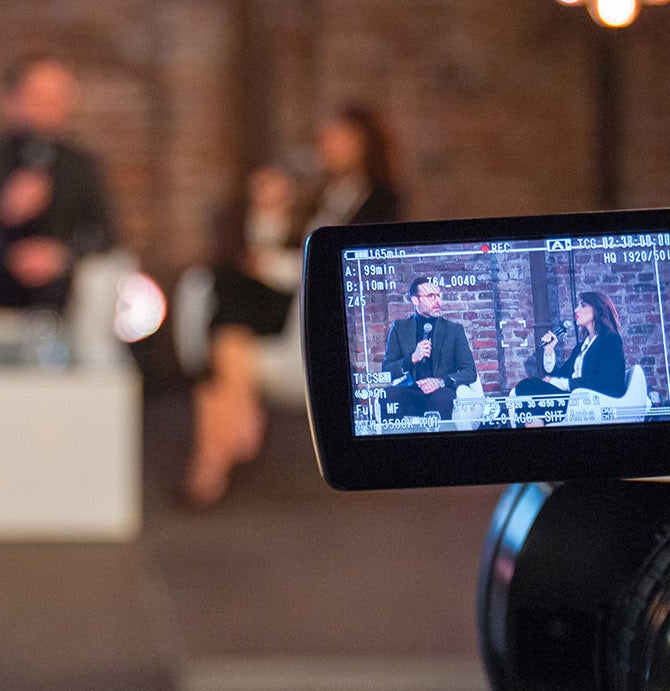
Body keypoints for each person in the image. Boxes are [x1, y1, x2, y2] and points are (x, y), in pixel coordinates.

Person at [184, 107, 405, 505]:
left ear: (361, 143)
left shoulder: (380, 200)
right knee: (226, 292)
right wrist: (269, 211)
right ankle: (234, 425)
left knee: (223, 348)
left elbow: (341, 263)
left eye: (337, 138)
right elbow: (288, 247)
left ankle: (210, 467)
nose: (327, 147)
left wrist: (273, 265)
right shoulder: (320, 193)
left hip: (322, 312)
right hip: (288, 297)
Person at [0, 55, 117, 323]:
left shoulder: (81, 164)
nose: (50, 108)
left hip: (58, 275)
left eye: (59, 98)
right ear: (12, 100)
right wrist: (4, 211)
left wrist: (61, 255)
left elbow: (106, 235)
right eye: (39, 98)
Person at [380, 277, 476, 420]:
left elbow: (470, 372)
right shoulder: (400, 328)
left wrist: (440, 382)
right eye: (431, 296)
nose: (438, 301)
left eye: (439, 296)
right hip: (410, 389)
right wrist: (412, 359)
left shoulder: (454, 330)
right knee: (388, 396)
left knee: (442, 398)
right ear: (415, 300)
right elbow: (387, 370)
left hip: (441, 390)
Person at [515, 291, 627, 399]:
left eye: (583, 306)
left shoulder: (610, 340)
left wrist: (561, 383)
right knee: (526, 386)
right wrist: (549, 352)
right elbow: (562, 375)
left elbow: (605, 380)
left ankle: (537, 419)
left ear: (598, 309)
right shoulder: (581, 347)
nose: (576, 310)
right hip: (573, 397)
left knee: (528, 386)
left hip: (591, 399)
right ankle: (536, 419)